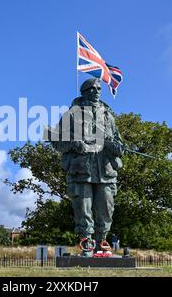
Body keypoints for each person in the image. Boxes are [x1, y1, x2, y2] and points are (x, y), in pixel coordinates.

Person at [49, 78, 125, 257]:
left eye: (99, 88)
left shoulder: (108, 115)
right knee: (83, 206)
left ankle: (102, 243)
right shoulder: (72, 114)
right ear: (84, 92)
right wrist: (74, 142)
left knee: (106, 207)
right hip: (81, 169)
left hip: (105, 170)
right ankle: (87, 244)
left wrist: (114, 146)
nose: (97, 91)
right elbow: (55, 139)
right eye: (93, 88)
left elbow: (118, 143)